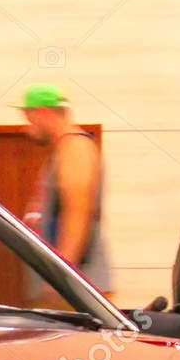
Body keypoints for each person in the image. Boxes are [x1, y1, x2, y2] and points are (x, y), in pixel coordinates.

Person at [18, 84, 112, 296]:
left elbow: (77, 213)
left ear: (43, 113)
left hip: (76, 290)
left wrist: (61, 277)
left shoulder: (75, 148)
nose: (26, 128)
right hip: (67, 288)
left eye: (29, 119)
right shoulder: (63, 149)